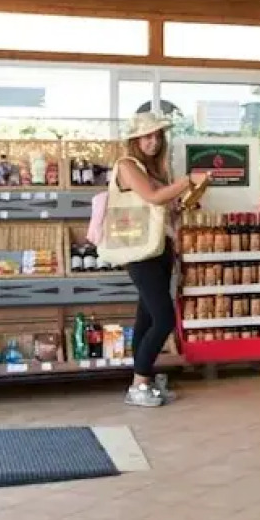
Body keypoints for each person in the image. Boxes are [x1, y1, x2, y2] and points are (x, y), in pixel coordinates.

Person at [113, 111, 207, 407]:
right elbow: (153, 198)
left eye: (157, 136)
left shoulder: (153, 170)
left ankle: (143, 380)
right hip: (140, 252)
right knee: (164, 318)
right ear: (135, 139)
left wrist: (183, 203)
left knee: (146, 317)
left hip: (159, 248)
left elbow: (162, 208)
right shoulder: (127, 165)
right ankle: (138, 385)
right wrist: (187, 180)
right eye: (147, 136)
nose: (153, 142)